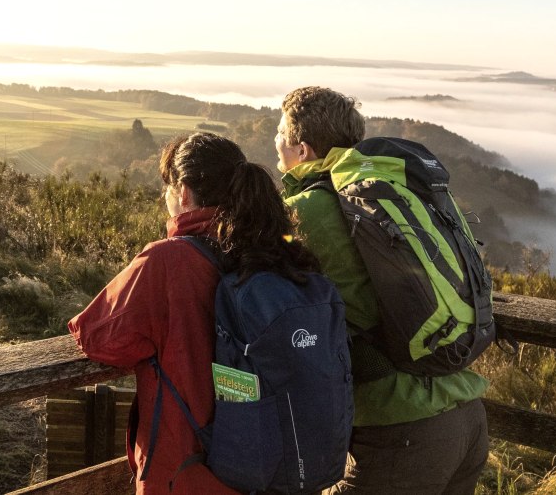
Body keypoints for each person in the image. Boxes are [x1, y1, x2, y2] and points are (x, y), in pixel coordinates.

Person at [69, 131, 323, 494]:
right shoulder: (278, 252)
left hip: (189, 472)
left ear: (184, 192)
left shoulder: (168, 261)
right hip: (267, 464)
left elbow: (98, 339)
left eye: (168, 187)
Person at [275, 86, 490, 495]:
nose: (275, 144)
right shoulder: (389, 195)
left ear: (301, 150)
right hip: (466, 415)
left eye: (280, 136)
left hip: (402, 432)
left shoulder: (303, 212)